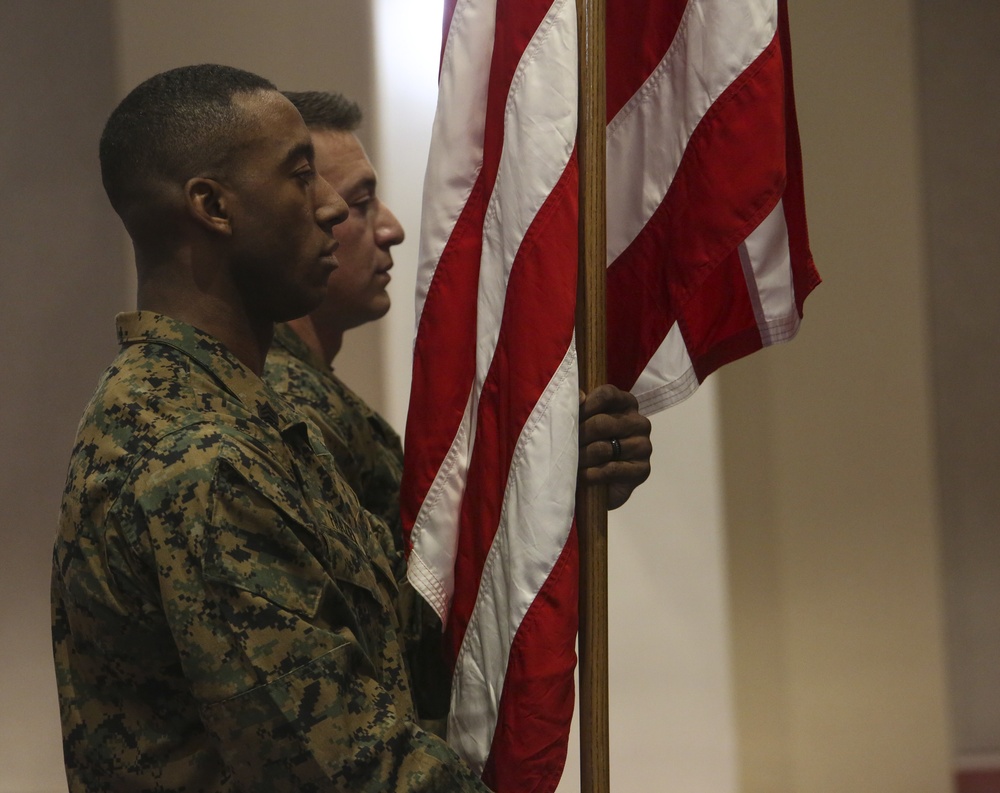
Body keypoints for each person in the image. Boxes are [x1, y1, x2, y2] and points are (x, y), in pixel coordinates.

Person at [51, 64, 491, 792]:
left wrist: (551, 481)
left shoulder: (257, 417)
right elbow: (338, 766)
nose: (329, 211)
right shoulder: (194, 454)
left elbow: (403, 647)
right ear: (213, 206)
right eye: (300, 178)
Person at [262, 91, 654, 725]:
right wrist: (542, 494)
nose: (389, 227)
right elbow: (395, 631)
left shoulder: (313, 391)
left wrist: (559, 484)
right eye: (357, 205)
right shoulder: (290, 400)